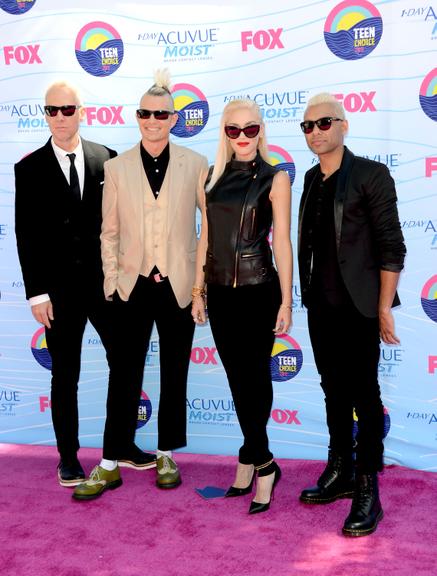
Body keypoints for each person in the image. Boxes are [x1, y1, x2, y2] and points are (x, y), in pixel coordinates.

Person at [73, 70, 208, 500]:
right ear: (137, 117)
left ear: (174, 118)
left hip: (179, 285)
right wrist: (112, 281)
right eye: (146, 113)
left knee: (175, 371)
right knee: (124, 375)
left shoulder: (196, 164)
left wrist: (199, 287)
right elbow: (108, 232)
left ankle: (167, 452)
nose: (153, 120)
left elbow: (209, 228)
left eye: (162, 114)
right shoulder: (116, 167)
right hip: (131, 287)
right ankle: (110, 461)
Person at [14, 81, 155, 489]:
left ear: (81, 111)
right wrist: (37, 293)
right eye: (52, 110)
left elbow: (123, 226)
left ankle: (122, 445)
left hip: (106, 287)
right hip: (57, 294)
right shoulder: (29, 168)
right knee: (66, 375)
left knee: (127, 363)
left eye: (66, 108)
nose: (59, 116)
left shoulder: (106, 159)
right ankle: (68, 457)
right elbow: (27, 236)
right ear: (45, 115)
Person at [297, 92, 406, 536]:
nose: (316, 131)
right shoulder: (308, 179)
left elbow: (392, 246)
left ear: (344, 125)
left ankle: (367, 488)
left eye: (324, 122)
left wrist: (383, 308)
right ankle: (339, 469)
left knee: (363, 394)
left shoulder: (371, 175)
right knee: (332, 391)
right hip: (319, 307)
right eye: (308, 126)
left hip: (360, 308)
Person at [192, 98, 292, 514]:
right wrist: (198, 290)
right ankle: (253, 455)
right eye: (234, 130)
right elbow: (205, 238)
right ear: (225, 134)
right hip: (221, 293)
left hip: (258, 291)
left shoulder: (276, 178)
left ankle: (261, 463)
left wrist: (287, 299)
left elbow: (282, 242)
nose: (243, 137)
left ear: (261, 130)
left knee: (255, 379)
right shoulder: (210, 178)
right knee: (238, 379)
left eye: (250, 129)